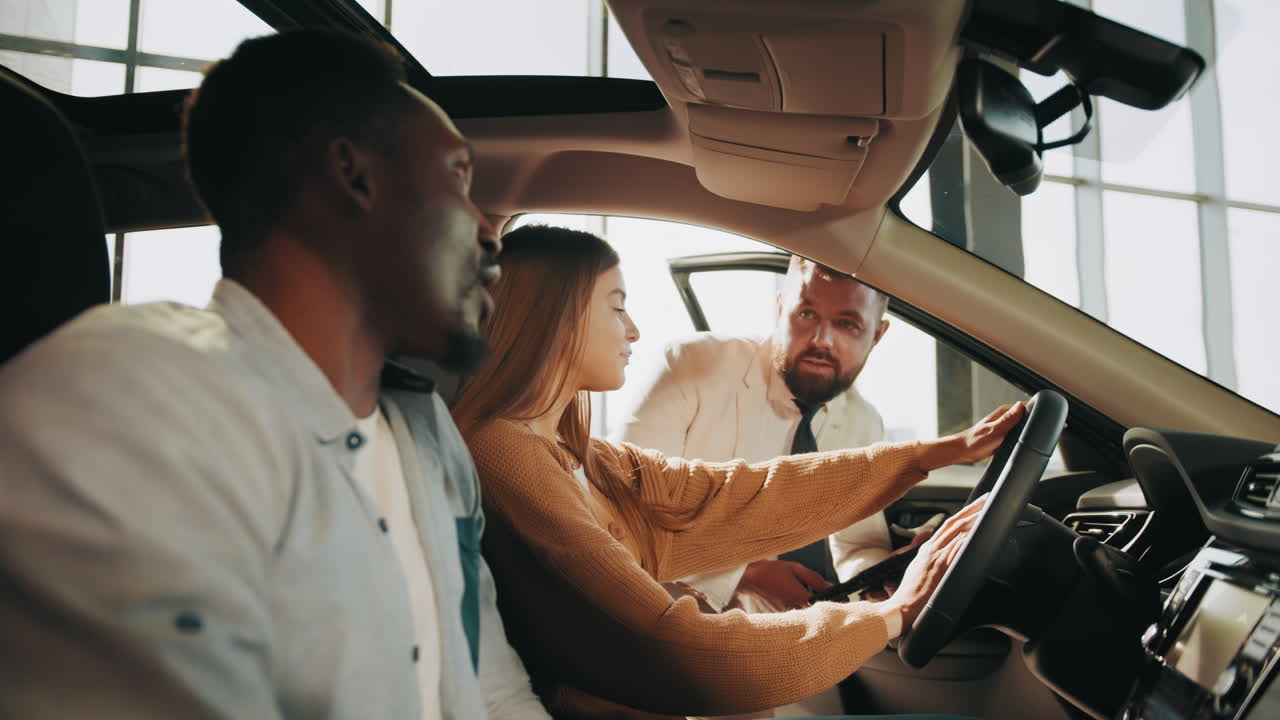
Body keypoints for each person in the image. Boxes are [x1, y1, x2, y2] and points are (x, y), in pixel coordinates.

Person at [0, 30, 550, 720]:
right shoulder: (125, 401)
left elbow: (491, 691)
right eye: (460, 178)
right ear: (354, 176)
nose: (489, 230)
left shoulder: (427, 429)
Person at [452, 224, 1024, 719]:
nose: (634, 330)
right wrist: (892, 615)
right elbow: (678, 647)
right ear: (556, 314)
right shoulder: (508, 455)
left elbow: (724, 495)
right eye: (617, 305)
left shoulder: (578, 453)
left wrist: (932, 455)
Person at [613, 256, 914, 718]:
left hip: (786, 633)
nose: (820, 340)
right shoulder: (690, 366)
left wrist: (884, 577)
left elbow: (856, 543)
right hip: (667, 626)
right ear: (779, 307)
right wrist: (746, 573)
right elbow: (620, 518)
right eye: (806, 314)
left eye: (848, 325)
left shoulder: (862, 420)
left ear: (877, 335)